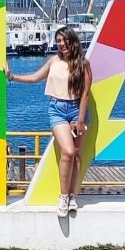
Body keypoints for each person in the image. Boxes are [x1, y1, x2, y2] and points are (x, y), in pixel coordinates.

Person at [7, 26, 90, 217]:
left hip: (78, 110)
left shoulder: (83, 64)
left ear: (72, 41)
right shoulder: (54, 60)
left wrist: (79, 120)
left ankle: (72, 197)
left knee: (76, 155)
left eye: (65, 40)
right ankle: (63, 197)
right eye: (59, 41)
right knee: (68, 152)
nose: (62, 44)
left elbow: (85, 94)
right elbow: (36, 77)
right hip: (57, 110)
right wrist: (12, 77)